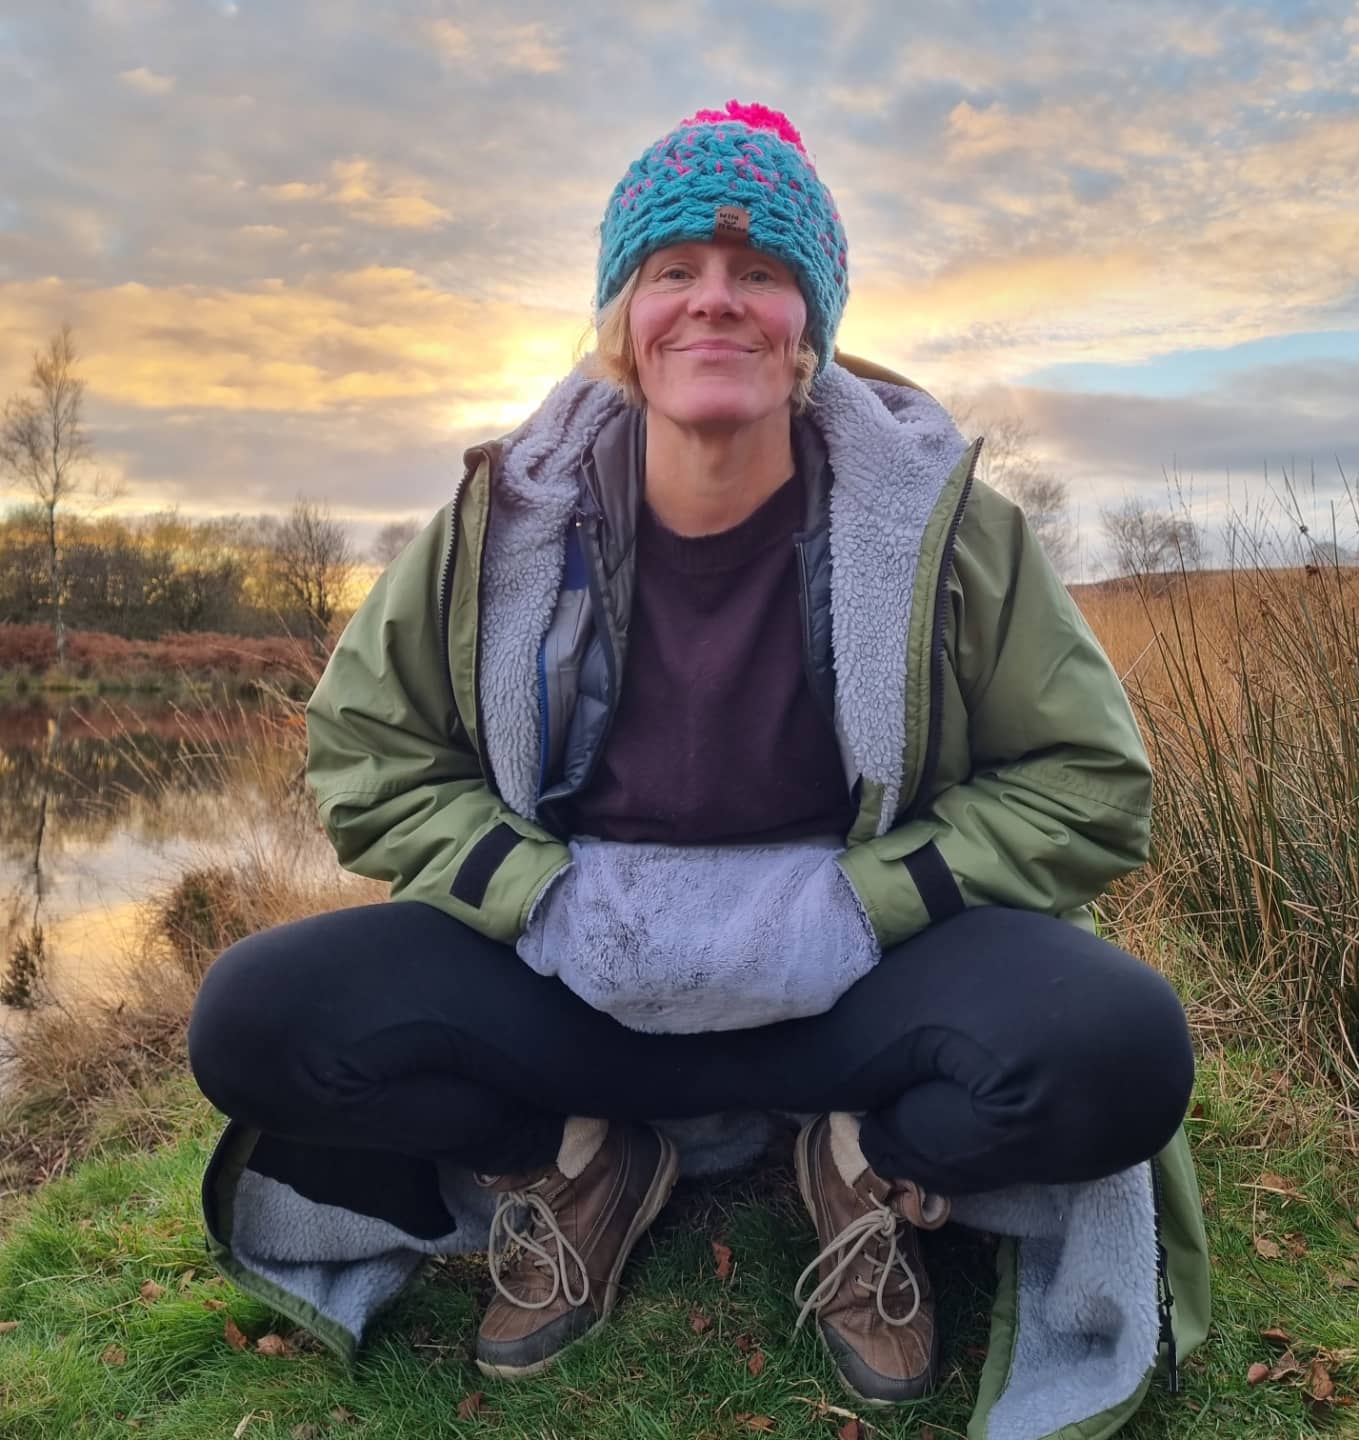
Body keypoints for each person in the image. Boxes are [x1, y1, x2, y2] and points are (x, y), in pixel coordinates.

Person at [188, 101, 1210, 1436]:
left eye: (761, 271)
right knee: (255, 1022)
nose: (713, 302)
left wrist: (862, 907)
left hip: (852, 993)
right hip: (576, 988)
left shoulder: (950, 529)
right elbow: (367, 753)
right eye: (672, 269)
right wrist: (537, 896)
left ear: (812, 325)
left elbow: (1091, 782)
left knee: (1118, 1051)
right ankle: (578, 1163)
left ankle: (861, 1165)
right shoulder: (500, 524)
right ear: (621, 316)